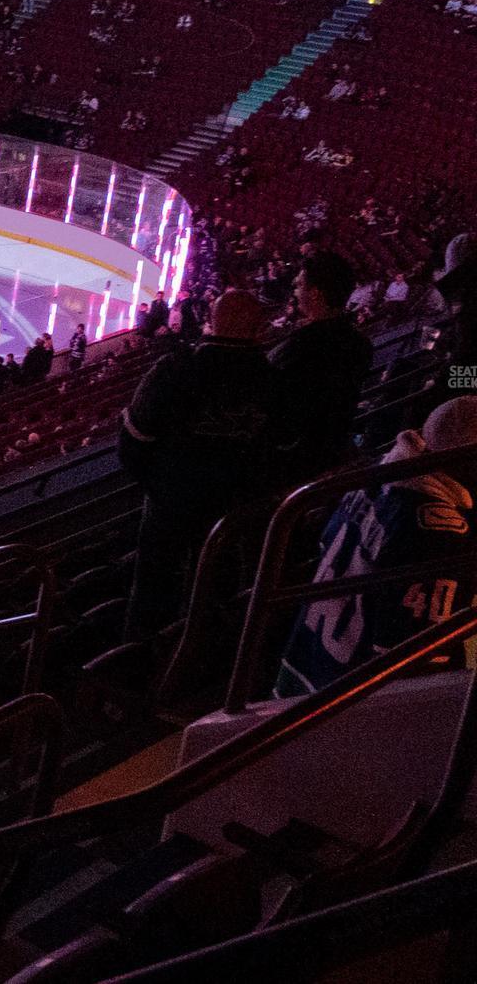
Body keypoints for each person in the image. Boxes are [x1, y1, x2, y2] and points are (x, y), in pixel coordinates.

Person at [120, 290, 294, 636]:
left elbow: (134, 435)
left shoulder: (175, 368)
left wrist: (155, 483)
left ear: (209, 324)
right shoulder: (275, 382)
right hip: (233, 506)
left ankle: (136, 661)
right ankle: (202, 654)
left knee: (154, 586)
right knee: (217, 584)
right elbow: (282, 445)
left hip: (170, 499)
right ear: (259, 330)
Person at [278, 396, 477, 694]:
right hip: (347, 706)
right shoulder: (438, 534)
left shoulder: (379, 478)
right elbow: (421, 668)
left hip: (307, 670)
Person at [273, 251, 374, 480]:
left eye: (299, 285)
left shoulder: (301, 346)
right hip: (333, 445)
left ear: (316, 294)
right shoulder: (360, 343)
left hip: (297, 458)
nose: (294, 289)